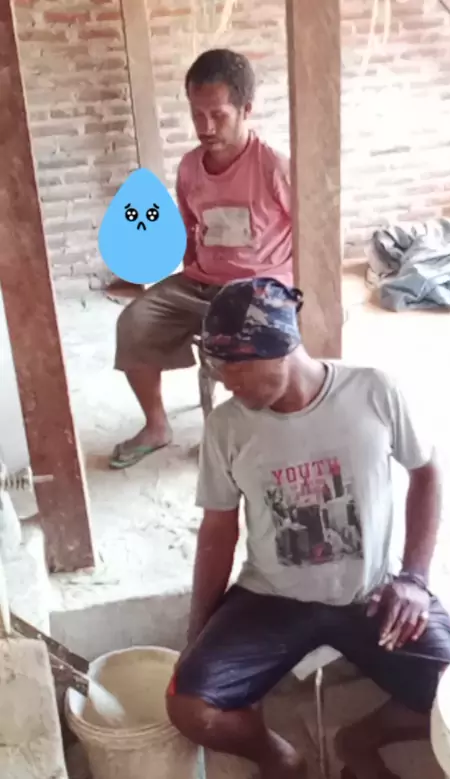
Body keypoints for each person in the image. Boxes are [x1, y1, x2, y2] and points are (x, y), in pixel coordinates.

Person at [166, 277, 450, 779]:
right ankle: (280, 762)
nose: (226, 383)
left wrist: (414, 579)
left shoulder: (373, 391)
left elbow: (426, 473)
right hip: (271, 598)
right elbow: (218, 530)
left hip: (372, 593)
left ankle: (360, 743)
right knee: (190, 707)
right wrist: (197, 630)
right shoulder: (228, 427)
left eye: (235, 368)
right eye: (218, 369)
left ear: (282, 347)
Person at [110, 48, 292, 468]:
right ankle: (157, 426)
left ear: (246, 110)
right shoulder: (191, 167)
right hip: (202, 282)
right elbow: (191, 228)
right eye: (197, 114)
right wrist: (191, 271)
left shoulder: (274, 168)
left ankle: (244, 435)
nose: (205, 127)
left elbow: (314, 231)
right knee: (134, 322)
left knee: (238, 349)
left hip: (259, 288)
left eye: (218, 115)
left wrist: (290, 292)